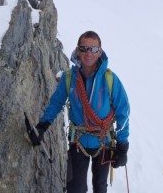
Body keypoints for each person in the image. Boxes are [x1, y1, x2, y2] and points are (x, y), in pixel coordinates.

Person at [29, 31, 130, 193]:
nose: (89, 53)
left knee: (100, 186)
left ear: (100, 51)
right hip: (78, 142)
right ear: (78, 50)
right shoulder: (69, 79)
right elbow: (56, 104)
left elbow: (123, 112)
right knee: (74, 188)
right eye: (84, 48)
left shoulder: (111, 80)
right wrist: (43, 125)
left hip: (104, 142)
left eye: (93, 49)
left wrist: (123, 146)